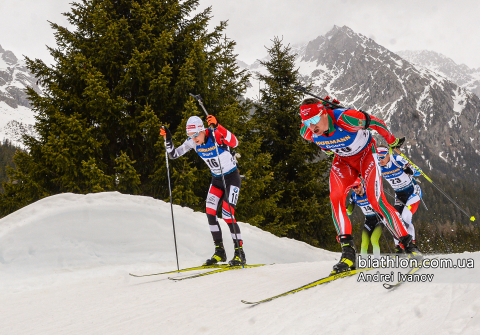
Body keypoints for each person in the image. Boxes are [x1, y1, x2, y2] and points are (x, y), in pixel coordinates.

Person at [299, 98, 422, 274]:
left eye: (313, 120)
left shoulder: (346, 119)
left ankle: (409, 246)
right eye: (306, 122)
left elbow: (377, 123)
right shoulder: (308, 132)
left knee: (375, 201)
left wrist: (392, 141)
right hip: (343, 162)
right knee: (335, 198)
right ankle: (348, 253)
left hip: (366, 156)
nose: (311, 126)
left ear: (324, 113)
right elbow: (327, 146)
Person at [160, 115, 246, 266]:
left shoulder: (215, 134)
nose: (194, 139)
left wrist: (219, 126)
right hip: (217, 180)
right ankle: (220, 252)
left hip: (231, 178)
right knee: (210, 211)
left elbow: (235, 142)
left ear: (202, 130)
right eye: (190, 136)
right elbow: (174, 154)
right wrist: (168, 139)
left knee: (227, 213)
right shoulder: (193, 142)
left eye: (195, 135)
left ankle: (240, 253)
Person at [377, 146, 423, 254]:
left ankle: (413, 248)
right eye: (378, 157)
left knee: (406, 216)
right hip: (399, 196)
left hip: (413, 193)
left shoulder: (397, 160)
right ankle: (398, 249)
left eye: (383, 157)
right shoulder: (377, 166)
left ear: (389, 154)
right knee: (393, 220)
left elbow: (420, 172)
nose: (381, 160)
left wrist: (410, 170)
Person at [346, 178, 383, 260]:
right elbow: (349, 211)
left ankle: (377, 259)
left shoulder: (370, 191)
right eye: (353, 187)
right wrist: (345, 209)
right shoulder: (353, 196)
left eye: (357, 186)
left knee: (374, 239)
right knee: (364, 243)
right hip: (368, 220)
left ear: (361, 185)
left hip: (379, 219)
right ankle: (364, 261)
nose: (355, 189)